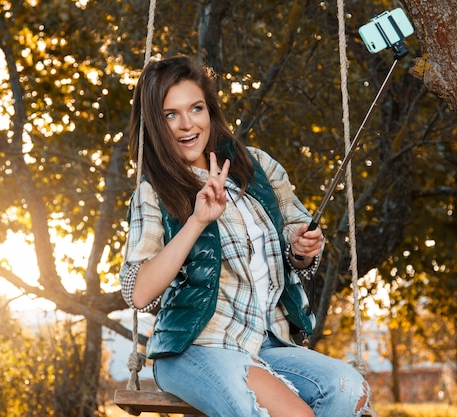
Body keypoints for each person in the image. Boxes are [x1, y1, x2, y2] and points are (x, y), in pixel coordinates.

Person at [119, 55, 371, 417]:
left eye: (196, 108)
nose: (187, 124)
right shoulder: (154, 191)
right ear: (154, 124)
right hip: (194, 347)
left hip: (268, 344)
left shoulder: (257, 167)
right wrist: (197, 221)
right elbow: (139, 292)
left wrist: (303, 247)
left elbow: (298, 247)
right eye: (170, 114)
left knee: (348, 390)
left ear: (211, 111)